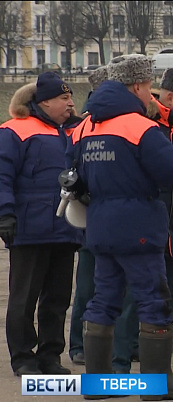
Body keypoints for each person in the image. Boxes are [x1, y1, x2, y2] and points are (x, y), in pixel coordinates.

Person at [76, 54, 173, 399]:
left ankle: (98, 384)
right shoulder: (139, 127)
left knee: (103, 299)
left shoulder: (87, 127)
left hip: (100, 226)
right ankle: (157, 384)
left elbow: (74, 176)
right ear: (136, 86)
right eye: (149, 87)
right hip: (139, 227)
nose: (152, 96)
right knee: (152, 300)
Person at [110, 68, 173, 374]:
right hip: (144, 227)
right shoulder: (146, 126)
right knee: (133, 299)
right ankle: (121, 361)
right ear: (170, 96)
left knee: (166, 297)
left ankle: (157, 352)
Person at [0, 72, 82, 376]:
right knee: (23, 298)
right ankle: (23, 357)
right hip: (28, 229)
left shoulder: (75, 132)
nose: (71, 103)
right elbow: (2, 176)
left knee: (58, 299)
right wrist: (5, 213)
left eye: (71, 97)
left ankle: (50, 355)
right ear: (44, 101)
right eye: (64, 98)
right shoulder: (14, 131)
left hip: (65, 229)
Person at [69, 66, 109, 367]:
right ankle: (79, 345)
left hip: (114, 216)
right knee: (87, 287)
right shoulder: (83, 127)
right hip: (92, 217)